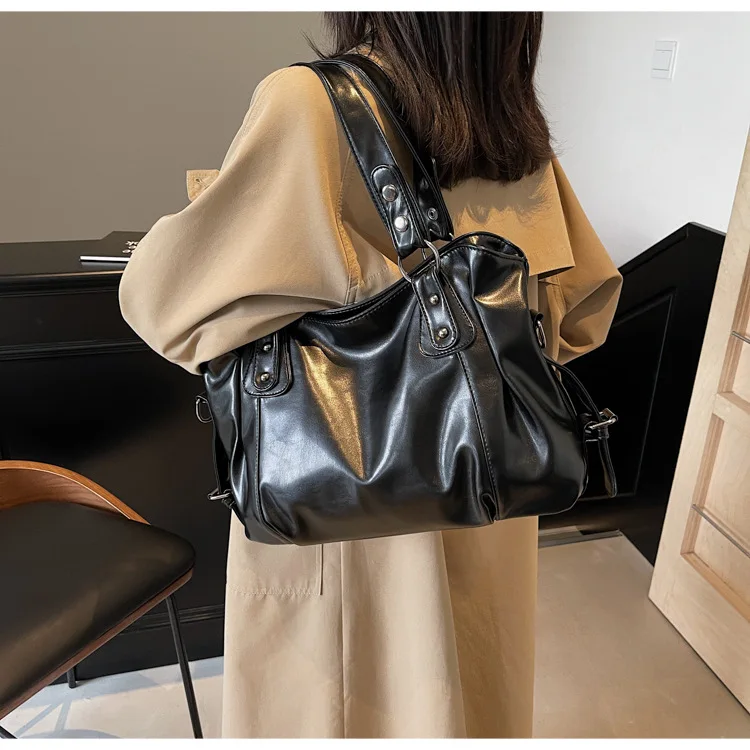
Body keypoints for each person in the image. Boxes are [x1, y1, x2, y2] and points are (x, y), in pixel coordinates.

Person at [119, 11, 622, 739]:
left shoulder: (309, 104)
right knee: (470, 692)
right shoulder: (508, 124)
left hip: (339, 502)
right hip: (487, 491)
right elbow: (577, 320)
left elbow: (164, 304)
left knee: (345, 706)